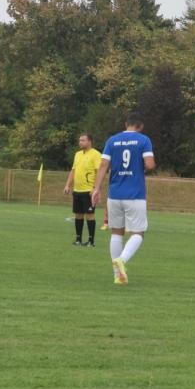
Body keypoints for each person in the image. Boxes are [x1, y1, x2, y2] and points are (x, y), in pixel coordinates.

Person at [92, 114, 154, 285]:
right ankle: (122, 260)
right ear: (140, 126)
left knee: (116, 233)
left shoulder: (112, 140)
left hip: (115, 194)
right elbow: (149, 164)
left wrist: (96, 188)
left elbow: (103, 165)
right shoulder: (143, 140)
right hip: (135, 194)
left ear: (126, 124)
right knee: (138, 233)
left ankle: (117, 275)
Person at [64, 133, 102, 247]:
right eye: (80, 140)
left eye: (83, 140)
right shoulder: (77, 154)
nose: (80, 142)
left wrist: (95, 188)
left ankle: (91, 241)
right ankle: (78, 239)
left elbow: (99, 172)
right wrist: (67, 185)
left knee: (89, 215)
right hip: (77, 190)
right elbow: (73, 171)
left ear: (89, 141)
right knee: (78, 215)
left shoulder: (96, 154)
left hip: (89, 191)